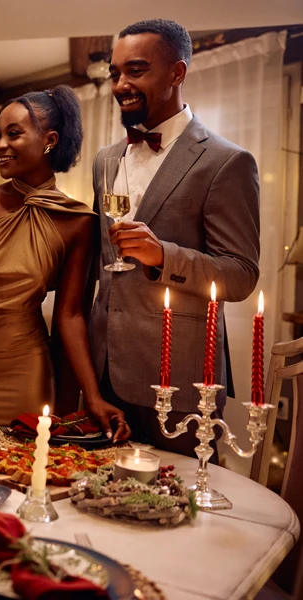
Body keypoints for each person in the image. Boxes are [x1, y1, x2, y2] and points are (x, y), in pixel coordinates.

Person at [89, 19, 260, 458]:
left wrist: (162, 254)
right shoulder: (105, 160)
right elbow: (99, 258)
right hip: (104, 376)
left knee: (178, 512)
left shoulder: (226, 162)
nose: (121, 84)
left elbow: (240, 275)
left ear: (177, 73)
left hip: (180, 382)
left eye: (137, 70)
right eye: (115, 73)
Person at [0, 85, 129, 441]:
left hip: (26, 365)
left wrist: (93, 397)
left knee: (26, 470)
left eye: (13, 134)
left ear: (49, 140)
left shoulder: (77, 222)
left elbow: (70, 315)